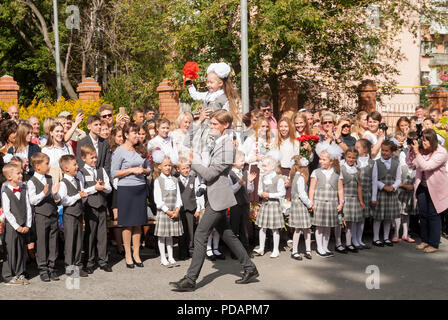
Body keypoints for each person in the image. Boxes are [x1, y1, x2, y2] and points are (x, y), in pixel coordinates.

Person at [169, 110, 259, 292]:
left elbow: (210, 174)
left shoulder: (228, 147)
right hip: (212, 196)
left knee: (200, 234)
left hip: (218, 196)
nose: (211, 127)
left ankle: (190, 280)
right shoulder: (215, 141)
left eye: (215, 124)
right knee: (227, 234)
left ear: (225, 125)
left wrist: (192, 162)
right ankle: (250, 268)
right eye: (210, 124)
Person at [111, 123, 150, 268]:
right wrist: (131, 170)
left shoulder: (140, 149)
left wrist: (143, 171)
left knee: (138, 223)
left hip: (140, 189)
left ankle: (136, 254)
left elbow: (148, 170)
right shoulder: (119, 151)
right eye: (134, 133)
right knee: (127, 224)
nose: (137, 136)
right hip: (126, 190)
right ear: (126, 135)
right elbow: (113, 173)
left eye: (138, 133)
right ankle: (128, 254)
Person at [407, 129, 448, 253]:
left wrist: (417, 152)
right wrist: (412, 150)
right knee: (423, 215)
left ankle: (434, 243)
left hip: (436, 189)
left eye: (425, 141)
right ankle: (424, 240)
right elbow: (410, 163)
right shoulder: (422, 151)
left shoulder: (441, 152)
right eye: (422, 140)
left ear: (432, 140)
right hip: (423, 187)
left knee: (433, 216)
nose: (422, 143)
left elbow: (427, 166)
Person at [78, 144, 112, 274]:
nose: (94, 160)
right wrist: (94, 188)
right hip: (90, 207)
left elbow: (109, 188)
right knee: (90, 235)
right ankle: (89, 261)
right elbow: (82, 190)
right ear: (84, 158)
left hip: (102, 206)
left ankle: (103, 261)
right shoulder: (81, 172)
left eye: (95, 157)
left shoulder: (101, 170)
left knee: (102, 234)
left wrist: (103, 186)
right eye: (91, 158)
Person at [28, 152, 60, 282]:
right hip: (41, 215)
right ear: (37, 166)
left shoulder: (50, 178)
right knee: (42, 242)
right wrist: (43, 193)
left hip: (52, 213)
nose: (49, 166)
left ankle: (52, 267)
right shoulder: (31, 181)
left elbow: (54, 197)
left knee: (53, 242)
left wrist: (55, 194)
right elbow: (32, 201)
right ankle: (42, 268)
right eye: (46, 163)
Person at [308, 142, 344, 258]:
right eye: (320, 159)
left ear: (331, 161)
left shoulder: (337, 173)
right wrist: (311, 202)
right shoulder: (316, 172)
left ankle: (325, 246)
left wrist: (341, 203)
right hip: (319, 203)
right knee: (319, 226)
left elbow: (340, 190)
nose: (321, 161)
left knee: (328, 227)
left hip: (332, 204)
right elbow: (312, 188)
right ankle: (319, 248)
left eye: (324, 159)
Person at [58, 155, 89, 277]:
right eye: (75, 165)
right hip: (69, 215)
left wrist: (83, 198)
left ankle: (78, 265)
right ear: (66, 168)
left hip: (78, 213)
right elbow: (64, 201)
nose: (77, 166)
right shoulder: (63, 183)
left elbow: (81, 195)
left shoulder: (77, 180)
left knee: (78, 240)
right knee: (70, 241)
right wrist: (78, 196)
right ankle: (69, 266)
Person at [1, 163, 32, 285]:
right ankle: (8, 275)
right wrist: (17, 226)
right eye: (18, 173)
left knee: (20, 250)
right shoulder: (6, 192)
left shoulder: (24, 188)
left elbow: (28, 207)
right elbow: (7, 212)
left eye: (21, 172)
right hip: (12, 227)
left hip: (23, 225)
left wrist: (28, 224)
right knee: (10, 250)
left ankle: (20, 273)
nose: (21, 175)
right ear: (9, 177)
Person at [152, 153, 184, 267]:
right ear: (160, 166)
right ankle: (163, 257)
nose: (168, 168)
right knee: (162, 236)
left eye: (169, 165)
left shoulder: (175, 180)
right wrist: (168, 211)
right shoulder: (158, 181)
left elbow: (178, 197)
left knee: (170, 236)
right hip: (164, 212)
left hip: (174, 211)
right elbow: (158, 200)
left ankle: (170, 256)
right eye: (165, 165)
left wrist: (177, 209)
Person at [253, 151, 286, 258]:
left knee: (274, 229)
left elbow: (282, 193)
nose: (263, 167)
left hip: (274, 205)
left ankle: (275, 249)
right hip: (265, 205)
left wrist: (270, 194)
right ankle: (261, 248)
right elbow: (259, 190)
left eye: (265, 165)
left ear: (272, 166)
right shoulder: (264, 178)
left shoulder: (278, 178)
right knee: (262, 227)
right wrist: (261, 194)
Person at [371, 140, 401, 247]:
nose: (384, 152)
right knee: (378, 217)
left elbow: (399, 179)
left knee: (388, 217)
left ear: (392, 152)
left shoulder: (396, 164)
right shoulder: (376, 163)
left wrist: (393, 187)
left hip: (391, 193)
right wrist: (383, 186)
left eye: (386, 151)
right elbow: (374, 179)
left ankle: (386, 237)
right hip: (381, 193)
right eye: (382, 150)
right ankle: (376, 238)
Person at [228, 151, 256, 257]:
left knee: (244, 227)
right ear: (234, 162)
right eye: (241, 160)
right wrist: (240, 182)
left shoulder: (245, 172)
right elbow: (231, 190)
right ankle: (234, 252)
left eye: (244, 160)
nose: (243, 162)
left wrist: (250, 182)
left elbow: (249, 190)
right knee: (234, 228)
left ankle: (245, 250)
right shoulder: (229, 174)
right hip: (235, 204)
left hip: (244, 203)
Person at [338, 147, 365, 253]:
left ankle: (348, 243)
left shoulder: (357, 169)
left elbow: (359, 186)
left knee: (350, 223)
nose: (351, 159)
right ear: (345, 156)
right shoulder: (341, 167)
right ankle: (338, 243)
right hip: (344, 198)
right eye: (349, 157)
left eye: (354, 158)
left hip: (353, 199)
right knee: (340, 222)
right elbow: (339, 186)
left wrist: (361, 201)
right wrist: (340, 200)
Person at [177, 157, 203, 260]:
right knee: (182, 231)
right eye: (183, 168)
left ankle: (191, 250)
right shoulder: (176, 180)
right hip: (180, 209)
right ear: (178, 169)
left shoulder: (193, 179)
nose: (186, 170)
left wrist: (198, 209)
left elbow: (197, 194)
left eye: (187, 168)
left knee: (191, 231)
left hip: (191, 209)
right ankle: (182, 252)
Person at [289, 155, 313, 260]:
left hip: (296, 205)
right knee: (302, 228)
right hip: (300, 205)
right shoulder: (300, 178)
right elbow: (302, 194)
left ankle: (306, 250)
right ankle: (295, 251)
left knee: (303, 228)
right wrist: (310, 204)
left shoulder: (295, 177)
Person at [354, 139, 373, 249]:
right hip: (354, 193)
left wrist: (373, 196)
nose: (355, 150)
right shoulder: (354, 160)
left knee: (362, 218)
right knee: (355, 217)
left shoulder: (371, 162)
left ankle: (359, 239)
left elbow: (374, 180)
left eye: (358, 148)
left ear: (365, 149)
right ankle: (353, 240)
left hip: (366, 193)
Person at [108, 126, 124, 255]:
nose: (122, 138)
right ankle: (120, 246)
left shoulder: (128, 149)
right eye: (119, 136)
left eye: (123, 136)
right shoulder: (110, 152)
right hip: (115, 186)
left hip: (127, 185)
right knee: (117, 217)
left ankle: (126, 242)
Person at [276, 117, 300, 199]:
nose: (283, 129)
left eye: (286, 126)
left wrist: (290, 178)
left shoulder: (295, 142)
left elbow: (296, 162)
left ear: (290, 127)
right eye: (281, 126)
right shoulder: (276, 141)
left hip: (289, 172)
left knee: (288, 198)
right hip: (278, 172)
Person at [394, 159, 417, 243]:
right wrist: (405, 185)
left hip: (410, 196)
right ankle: (395, 234)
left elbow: (416, 183)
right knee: (398, 215)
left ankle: (405, 234)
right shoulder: (402, 167)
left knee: (407, 215)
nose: (411, 162)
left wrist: (413, 186)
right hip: (401, 194)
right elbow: (397, 181)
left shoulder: (417, 170)